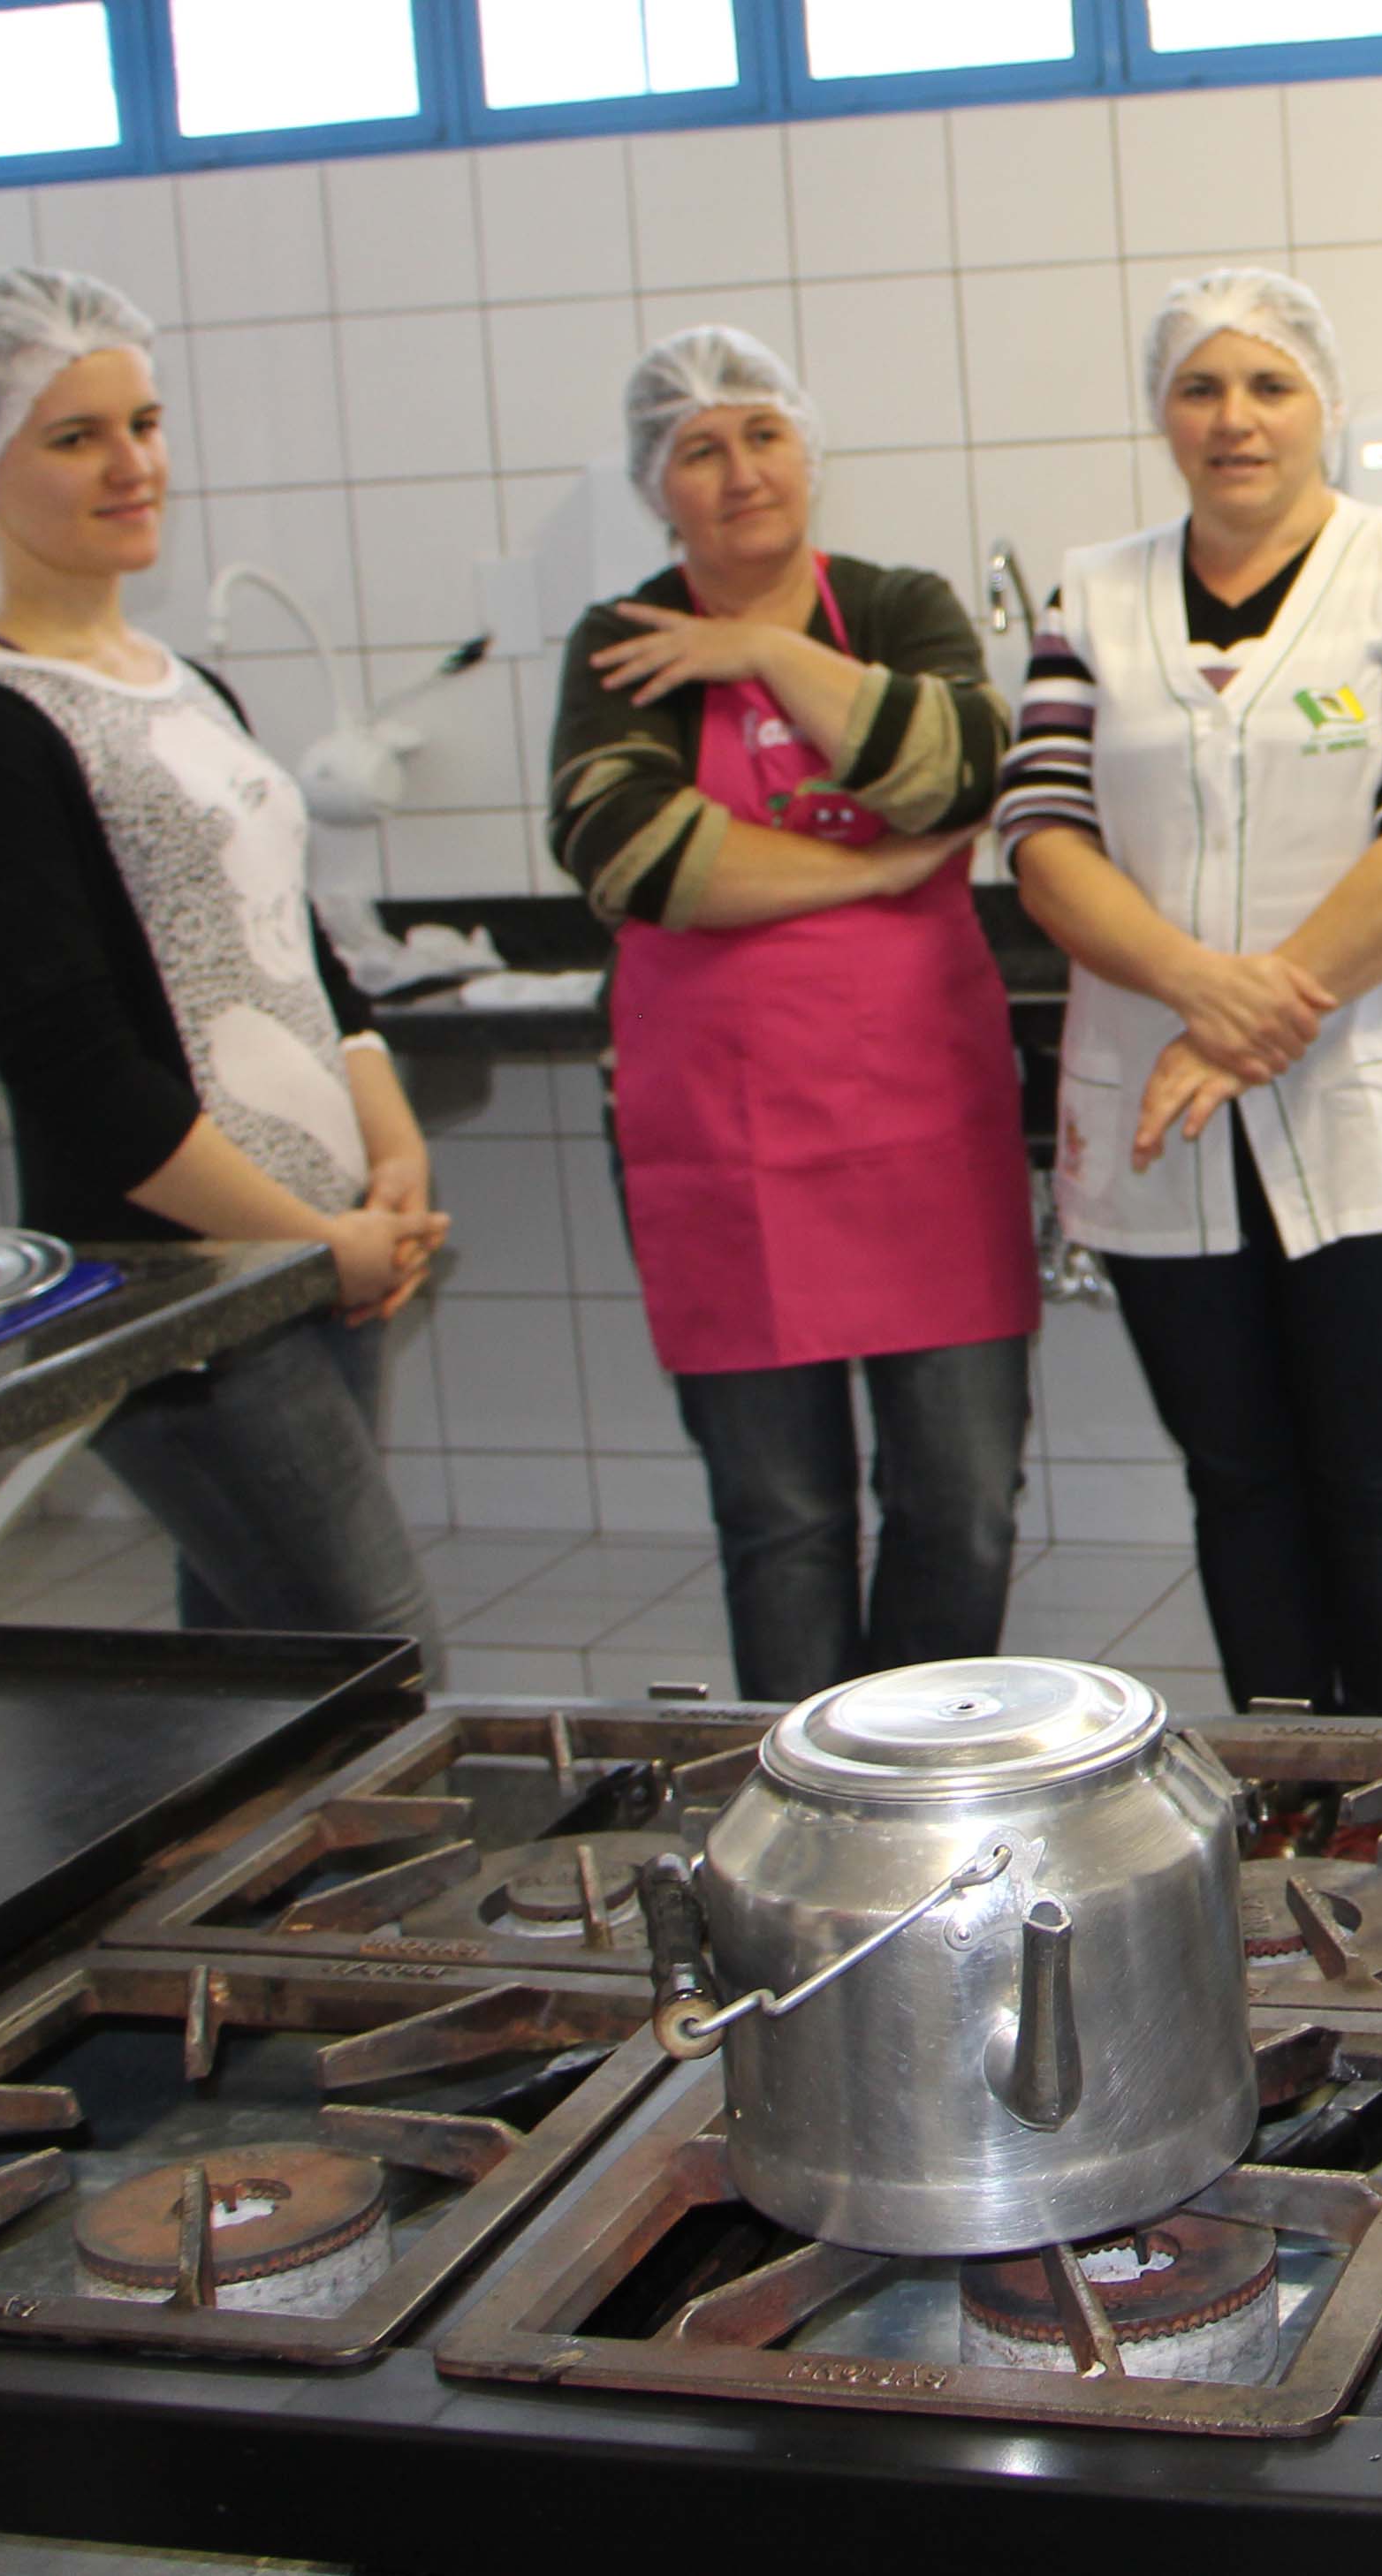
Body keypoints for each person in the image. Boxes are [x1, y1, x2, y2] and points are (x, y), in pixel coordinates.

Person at [998, 269, 1382, 1717]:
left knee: (1375, 1467)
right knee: (1236, 1476)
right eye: (1200, 388)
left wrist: (1249, 1023)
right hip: (1161, 1093)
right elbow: (1042, 837)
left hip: (1372, 1101)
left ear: (1326, 408)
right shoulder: (1089, 594)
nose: (1235, 419)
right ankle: (1282, 1805)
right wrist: (1201, 997)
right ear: (1164, 415)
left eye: (1269, 386)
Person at [0, 268, 446, 1646]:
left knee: (268, 1685)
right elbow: (74, 1063)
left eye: (142, 423)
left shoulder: (189, 686)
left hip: (314, 1257)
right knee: (382, 1662)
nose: (133, 464)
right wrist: (318, 1240)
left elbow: (305, 956)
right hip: (186, 1288)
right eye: (75, 437)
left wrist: (389, 1151)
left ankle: (240, 1872)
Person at [547, 327, 1032, 1703]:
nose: (739, 470)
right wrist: (873, 869)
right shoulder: (619, 643)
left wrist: (758, 647)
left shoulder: (892, 605)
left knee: (963, 1502)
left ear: (808, 452)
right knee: (786, 1522)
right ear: (657, 485)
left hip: (923, 1121)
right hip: (726, 1135)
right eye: (699, 449)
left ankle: (926, 1778)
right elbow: (633, 852)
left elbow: (957, 772)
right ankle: (807, 1803)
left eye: (762, 434)